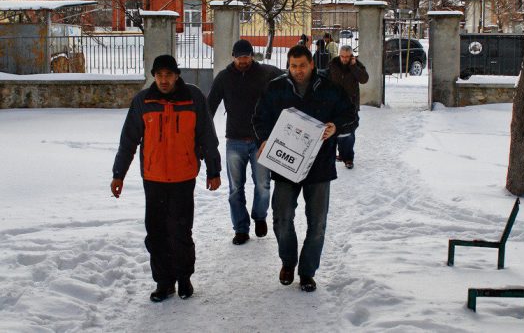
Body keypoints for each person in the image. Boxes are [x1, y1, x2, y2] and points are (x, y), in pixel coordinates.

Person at [110, 54, 221, 303]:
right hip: (154, 178)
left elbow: (207, 136)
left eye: (168, 75)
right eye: (159, 75)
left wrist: (214, 170)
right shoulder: (143, 101)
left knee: (181, 230)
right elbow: (128, 140)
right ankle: (164, 281)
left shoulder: (193, 98)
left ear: (176, 75)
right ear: (154, 76)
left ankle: (184, 278)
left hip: (183, 177)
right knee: (157, 232)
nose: (163, 80)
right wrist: (119, 174)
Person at [253, 45, 356, 292]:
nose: (298, 71)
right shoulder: (276, 88)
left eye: (302, 65)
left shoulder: (330, 89)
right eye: (293, 66)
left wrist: (336, 127)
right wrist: (265, 139)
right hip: (286, 166)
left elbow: (351, 116)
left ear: (312, 64)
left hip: (319, 167)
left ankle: (308, 272)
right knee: (281, 218)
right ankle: (288, 262)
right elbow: (259, 118)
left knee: (317, 223)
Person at [208, 39, 284, 245]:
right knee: (235, 188)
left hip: (261, 141)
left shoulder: (266, 73)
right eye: (240, 57)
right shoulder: (224, 78)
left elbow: (290, 81)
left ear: (252, 55)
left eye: (247, 56)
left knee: (263, 184)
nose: (243, 60)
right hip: (234, 140)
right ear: (233, 56)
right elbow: (209, 107)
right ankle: (241, 228)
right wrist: (203, 135)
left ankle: (259, 217)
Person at [327, 45, 369, 169]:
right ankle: (341, 154)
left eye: (347, 57)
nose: (344, 59)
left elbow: (364, 79)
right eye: (342, 56)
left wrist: (353, 66)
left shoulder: (357, 65)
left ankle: (348, 158)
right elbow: (325, 78)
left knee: (349, 132)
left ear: (351, 56)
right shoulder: (333, 64)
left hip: (351, 105)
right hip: (334, 104)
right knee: (336, 130)